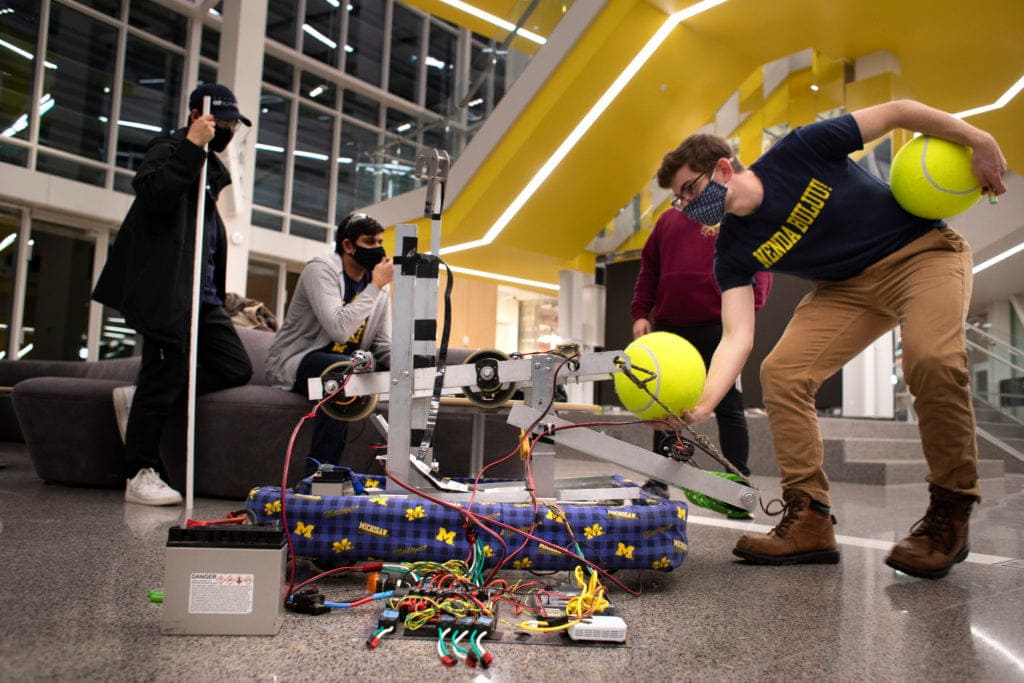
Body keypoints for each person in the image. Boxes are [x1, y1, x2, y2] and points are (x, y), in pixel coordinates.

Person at [657, 99, 1007, 579]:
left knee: (931, 359)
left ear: (722, 168)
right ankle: (810, 519)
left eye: (690, 190)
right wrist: (700, 405)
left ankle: (951, 509)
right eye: (679, 200)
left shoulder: (801, 149)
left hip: (920, 254)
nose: (687, 205)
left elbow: (898, 111)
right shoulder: (732, 250)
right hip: (845, 290)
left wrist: (978, 140)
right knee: (782, 373)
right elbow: (736, 337)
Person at [92, 83, 255, 506]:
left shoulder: (209, 172)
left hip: (205, 299)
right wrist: (191, 145)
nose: (228, 130)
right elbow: (155, 194)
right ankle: (139, 473)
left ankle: (141, 399)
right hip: (170, 295)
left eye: (233, 125)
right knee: (164, 374)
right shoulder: (168, 149)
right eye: (223, 122)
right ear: (198, 116)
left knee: (234, 367)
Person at [630, 208, 772, 486]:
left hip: (720, 326)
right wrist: (640, 313)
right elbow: (649, 268)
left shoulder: (733, 216)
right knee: (665, 405)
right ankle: (660, 481)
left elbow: (759, 264)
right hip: (671, 327)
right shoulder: (667, 220)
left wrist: (744, 309)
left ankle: (738, 483)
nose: (683, 197)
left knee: (729, 406)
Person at [265, 212, 393, 474]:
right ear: (348, 245)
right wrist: (375, 287)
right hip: (301, 360)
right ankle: (319, 475)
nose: (378, 249)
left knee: (366, 371)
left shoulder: (379, 288)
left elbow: (381, 343)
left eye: (380, 242)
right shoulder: (320, 270)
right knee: (343, 376)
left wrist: (411, 363)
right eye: (369, 242)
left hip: (350, 364)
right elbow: (339, 330)